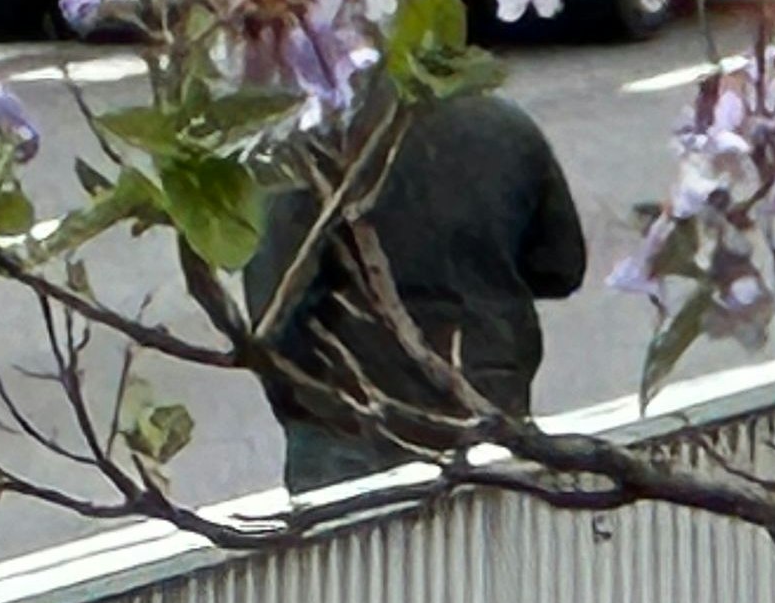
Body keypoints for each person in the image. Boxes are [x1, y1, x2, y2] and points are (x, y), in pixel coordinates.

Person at [244, 85, 586, 493]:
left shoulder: (300, 148)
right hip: (489, 417)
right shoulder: (501, 125)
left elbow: (272, 316)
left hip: (350, 437)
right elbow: (560, 268)